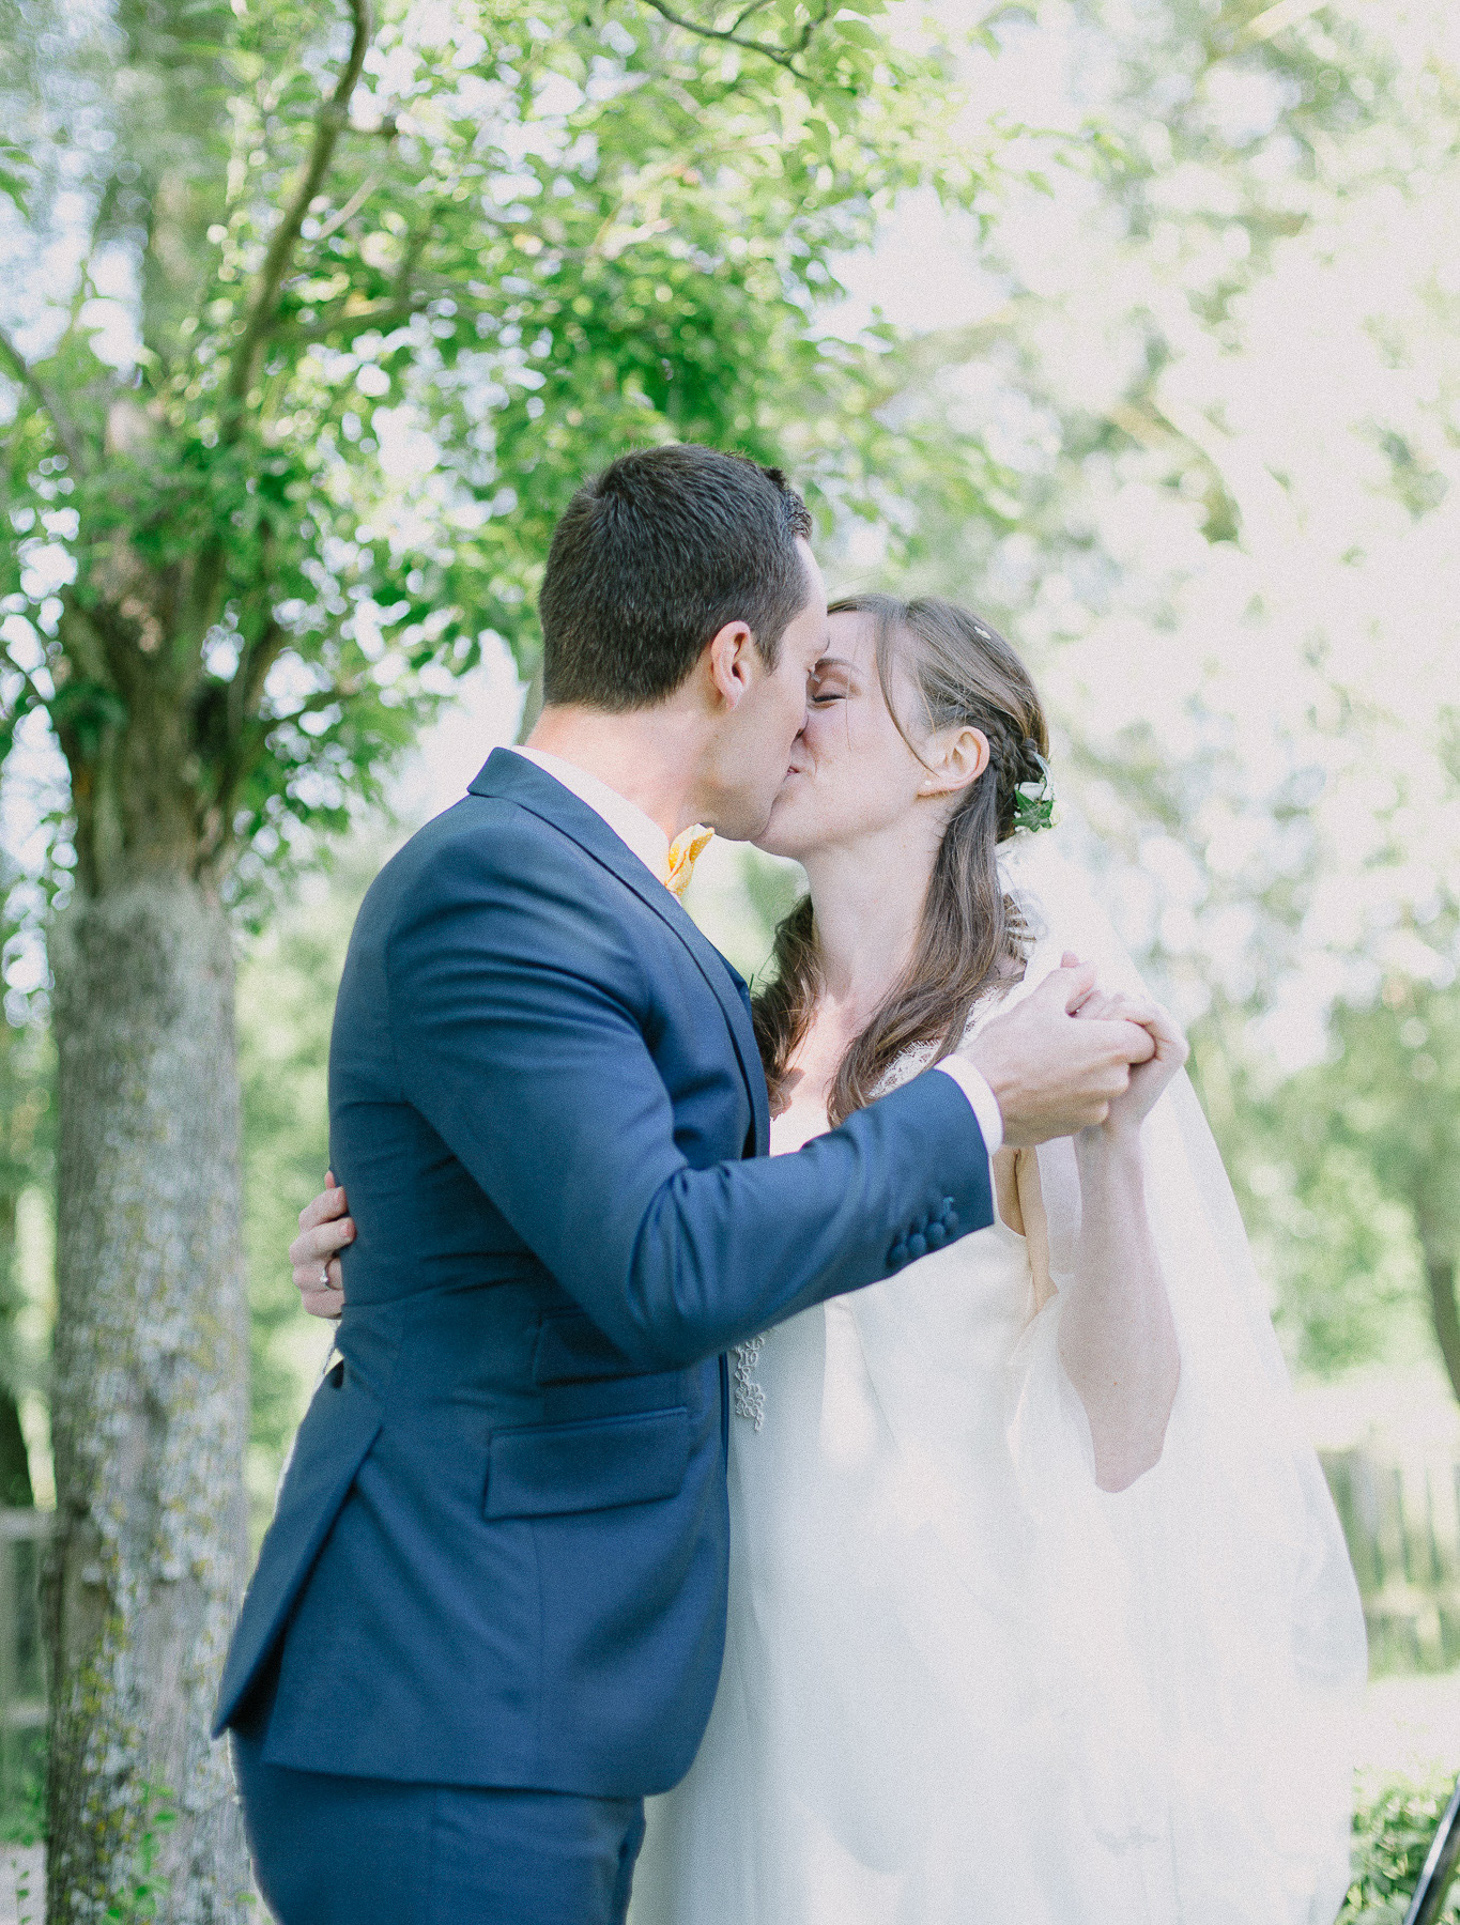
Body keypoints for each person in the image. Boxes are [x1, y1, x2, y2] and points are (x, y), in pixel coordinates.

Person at [294, 589, 1367, 1922]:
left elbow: (1130, 1431)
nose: (786, 711)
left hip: (966, 1694)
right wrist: (395, 1242)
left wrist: (1123, 1156)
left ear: (951, 757)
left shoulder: (1032, 1039)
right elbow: (636, 1251)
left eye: (835, 686)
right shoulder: (720, 1039)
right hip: (740, 1689)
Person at [216, 446, 1159, 1925]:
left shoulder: (649, 926)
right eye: (806, 670)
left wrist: (409, 1236)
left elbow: (591, 1205)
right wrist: (980, 1108)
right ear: (733, 660)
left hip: (605, 1691)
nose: (799, 717)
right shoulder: (507, 883)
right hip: (460, 1696)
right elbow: (665, 1261)